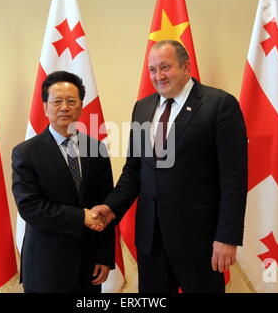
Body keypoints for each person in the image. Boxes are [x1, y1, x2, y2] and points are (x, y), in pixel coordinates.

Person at [91, 40, 248, 293]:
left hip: (200, 242)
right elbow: (134, 171)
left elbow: (234, 180)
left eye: (165, 67)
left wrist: (227, 237)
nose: (158, 76)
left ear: (186, 67)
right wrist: (111, 207)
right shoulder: (142, 108)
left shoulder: (219, 105)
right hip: (151, 242)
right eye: (153, 70)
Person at [12, 71, 114, 293]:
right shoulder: (26, 153)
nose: (64, 107)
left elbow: (107, 206)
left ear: (80, 106)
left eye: (71, 101)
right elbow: (30, 208)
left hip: (89, 267)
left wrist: (104, 257)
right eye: (57, 101)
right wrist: (80, 217)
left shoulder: (97, 149)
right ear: (45, 107)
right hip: (45, 267)